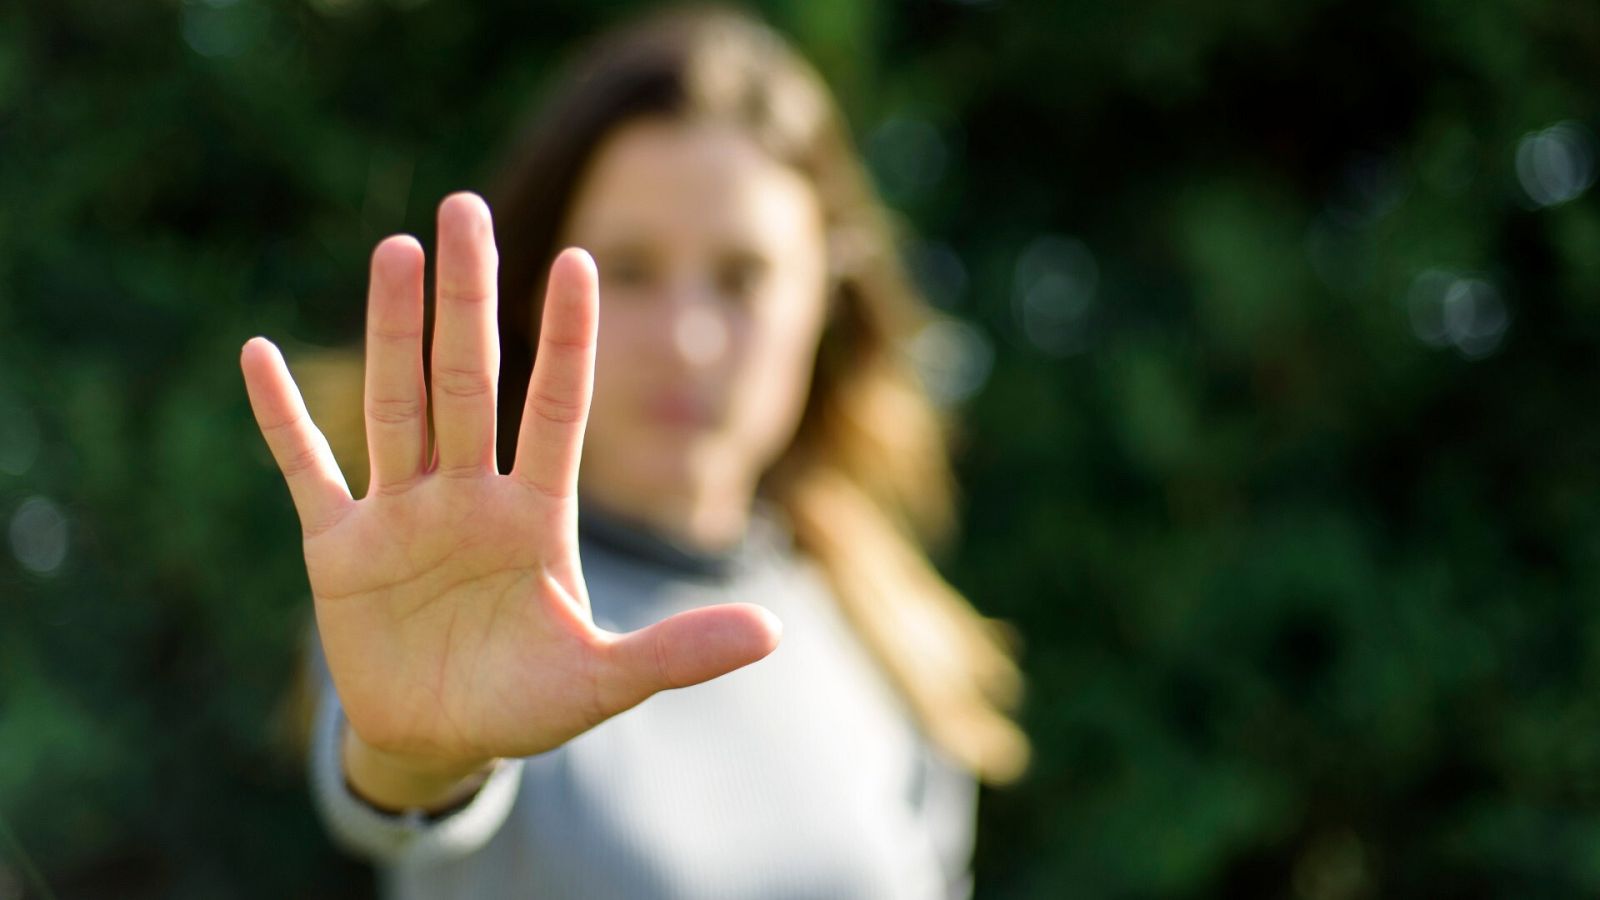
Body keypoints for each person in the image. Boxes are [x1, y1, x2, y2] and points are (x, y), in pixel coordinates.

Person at [239, 7, 1028, 898]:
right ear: (535, 295)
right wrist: (421, 760)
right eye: (629, 269)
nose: (687, 339)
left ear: (826, 302)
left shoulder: (888, 623)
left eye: (742, 277)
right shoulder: (451, 585)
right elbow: (400, 783)